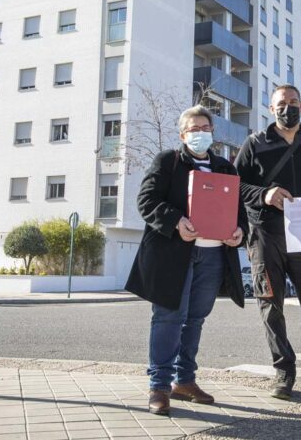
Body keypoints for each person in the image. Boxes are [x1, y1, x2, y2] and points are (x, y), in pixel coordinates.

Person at [126, 105, 248, 416]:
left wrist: (239, 232)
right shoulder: (168, 161)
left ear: (212, 132)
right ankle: (159, 387)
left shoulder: (226, 168)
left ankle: (185, 381)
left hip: (213, 254)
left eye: (204, 128)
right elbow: (147, 200)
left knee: (195, 319)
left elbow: (239, 213)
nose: (199, 133)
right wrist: (176, 221)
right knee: (168, 318)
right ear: (182, 134)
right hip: (174, 255)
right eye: (192, 129)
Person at [235, 84, 301, 404]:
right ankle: (284, 372)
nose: (288, 108)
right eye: (282, 103)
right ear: (272, 109)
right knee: (271, 306)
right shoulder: (254, 144)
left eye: (294, 102)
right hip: (264, 236)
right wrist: (263, 194)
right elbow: (234, 185)